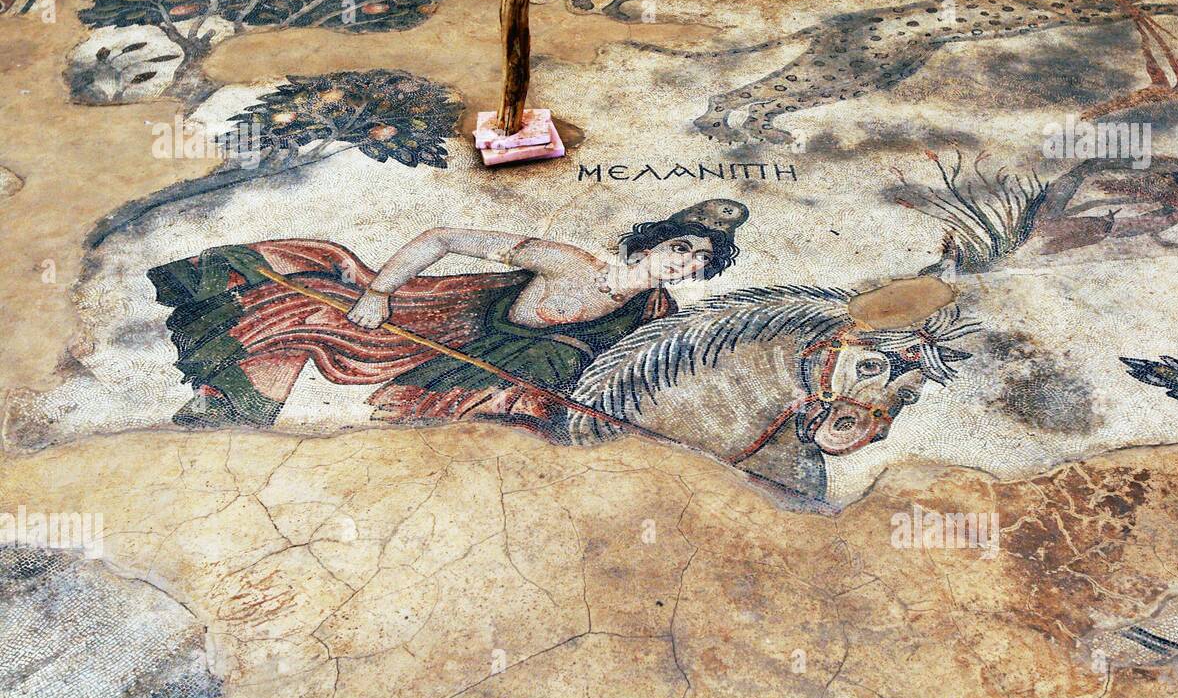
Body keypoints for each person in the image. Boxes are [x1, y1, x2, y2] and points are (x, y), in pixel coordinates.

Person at [147, 199, 748, 439]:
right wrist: (381, 291)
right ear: (650, 247)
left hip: (512, 375)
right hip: (455, 323)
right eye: (681, 249)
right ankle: (224, 416)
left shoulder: (657, 311)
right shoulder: (571, 265)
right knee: (313, 317)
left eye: (700, 261)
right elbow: (444, 237)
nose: (688, 264)